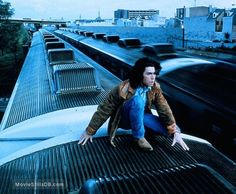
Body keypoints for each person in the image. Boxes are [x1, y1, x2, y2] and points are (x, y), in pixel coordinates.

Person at [78, 57, 189, 151]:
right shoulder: (122, 88)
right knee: (137, 101)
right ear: (140, 75)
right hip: (124, 119)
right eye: (149, 74)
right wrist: (89, 131)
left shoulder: (155, 88)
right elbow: (104, 109)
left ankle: (171, 134)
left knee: (167, 131)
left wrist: (175, 132)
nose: (153, 77)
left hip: (141, 117)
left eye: (154, 73)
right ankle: (139, 137)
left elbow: (164, 108)